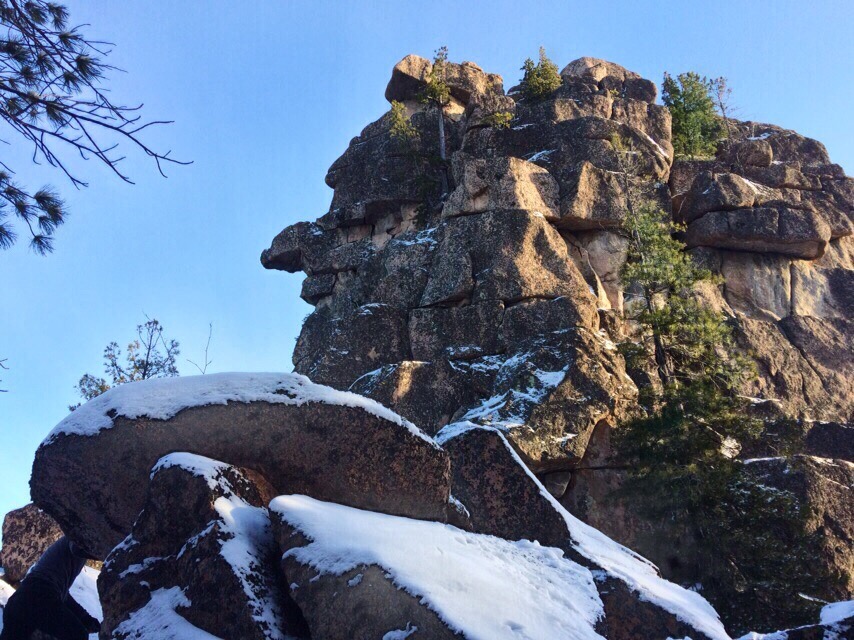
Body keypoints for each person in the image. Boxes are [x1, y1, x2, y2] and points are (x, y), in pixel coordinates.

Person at [0, 537, 99, 640]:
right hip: (38, 595)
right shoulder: (74, 536)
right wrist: (105, 553)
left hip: (19, 601)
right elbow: (76, 548)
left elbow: (64, 597)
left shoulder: (57, 570)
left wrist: (86, 619)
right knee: (78, 635)